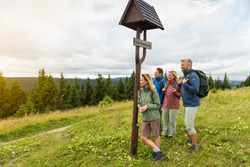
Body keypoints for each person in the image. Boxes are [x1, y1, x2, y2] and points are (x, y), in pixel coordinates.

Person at [138, 74, 166, 162]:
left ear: (147, 81)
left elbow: (158, 105)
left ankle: (156, 153)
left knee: (156, 136)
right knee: (143, 137)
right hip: (145, 118)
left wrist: (147, 106)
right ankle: (158, 152)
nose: (140, 81)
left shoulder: (153, 91)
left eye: (142, 80)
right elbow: (139, 102)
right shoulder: (140, 91)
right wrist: (140, 107)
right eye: (140, 80)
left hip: (154, 117)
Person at [178, 58, 200, 154]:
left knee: (189, 125)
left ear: (189, 66)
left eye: (183, 65)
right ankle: (189, 140)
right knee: (187, 124)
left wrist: (184, 84)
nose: (181, 66)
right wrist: (179, 85)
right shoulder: (186, 76)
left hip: (192, 104)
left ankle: (195, 147)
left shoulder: (193, 76)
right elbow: (184, 88)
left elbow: (195, 90)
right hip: (186, 104)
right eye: (181, 65)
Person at [161, 71, 181, 138]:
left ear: (174, 76)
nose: (168, 76)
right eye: (168, 75)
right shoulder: (166, 84)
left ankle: (172, 134)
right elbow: (166, 95)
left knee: (172, 121)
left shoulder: (178, 85)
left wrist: (176, 92)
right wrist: (163, 91)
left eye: (170, 75)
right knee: (165, 120)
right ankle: (164, 133)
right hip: (165, 105)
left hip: (174, 106)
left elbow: (182, 94)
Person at [153, 68, 167, 132]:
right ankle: (154, 129)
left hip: (159, 103)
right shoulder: (153, 81)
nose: (154, 73)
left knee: (158, 118)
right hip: (152, 103)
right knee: (153, 117)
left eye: (156, 72)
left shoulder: (163, 82)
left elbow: (166, 95)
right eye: (155, 72)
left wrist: (162, 105)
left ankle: (159, 130)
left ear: (160, 74)